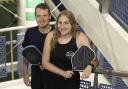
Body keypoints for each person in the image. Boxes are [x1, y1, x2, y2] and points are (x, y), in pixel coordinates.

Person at [42, 10, 99, 89]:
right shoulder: (51, 35)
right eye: (60, 23)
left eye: (66, 23)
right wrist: (63, 73)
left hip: (71, 83)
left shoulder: (79, 37)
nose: (62, 27)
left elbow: (95, 60)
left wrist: (90, 66)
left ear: (72, 24)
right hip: (51, 82)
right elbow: (45, 63)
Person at [22, 3, 53, 89]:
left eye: (45, 15)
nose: (41, 19)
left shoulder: (57, 33)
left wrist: (47, 64)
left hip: (54, 77)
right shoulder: (30, 32)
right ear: (35, 17)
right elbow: (26, 55)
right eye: (38, 16)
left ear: (50, 16)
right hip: (36, 76)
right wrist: (25, 73)